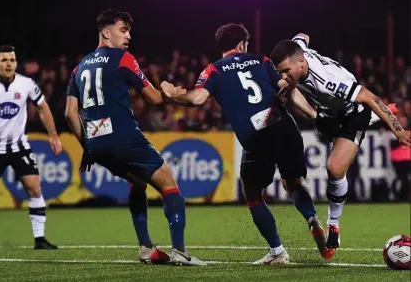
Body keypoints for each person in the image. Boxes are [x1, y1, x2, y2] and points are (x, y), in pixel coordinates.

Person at [161, 23, 332, 264]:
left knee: (252, 193)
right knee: (294, 183)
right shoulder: (262, 62)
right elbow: (289, 90)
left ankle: (277, 252)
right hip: (285, 126)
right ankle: (312, 218)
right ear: (242, 44)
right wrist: (315, 116)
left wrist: (173, 94)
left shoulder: (214, 70)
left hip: (256, 136)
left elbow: (198, 99)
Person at [64, 9, 205, 266]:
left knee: (138, 183)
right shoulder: (123, 58)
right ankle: (180, 251)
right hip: (123, 135)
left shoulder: (78, 67)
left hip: (96, 142)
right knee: (169, 184)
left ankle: (146, 248)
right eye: (123, 30)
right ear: (107, 33)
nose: (128, 36)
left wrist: (86, 146)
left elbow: (70, 114)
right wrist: (168, 91)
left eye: (129, 30)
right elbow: (152, 98)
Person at [270, 33, 410, 257]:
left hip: (353, 114)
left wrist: (398, 130)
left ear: (302, 62)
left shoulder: (328, 83)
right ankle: (332, 119)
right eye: (282, 72)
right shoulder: (296, 54)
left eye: (286, 71)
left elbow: (370, 98)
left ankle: (333, 224)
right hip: (329, 112)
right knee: (294, 99)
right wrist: (289, 83)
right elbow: (302, 37)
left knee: (334, 169)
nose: (285, 76)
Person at [0, 45, 62, 249]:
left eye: (12, 60)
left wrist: (54, 137)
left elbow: (43, 107)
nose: (8, 64)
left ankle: (39, 239)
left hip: (19, 146)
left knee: (34, 188)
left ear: (16, 63)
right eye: (4, 60)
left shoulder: (26, 84)